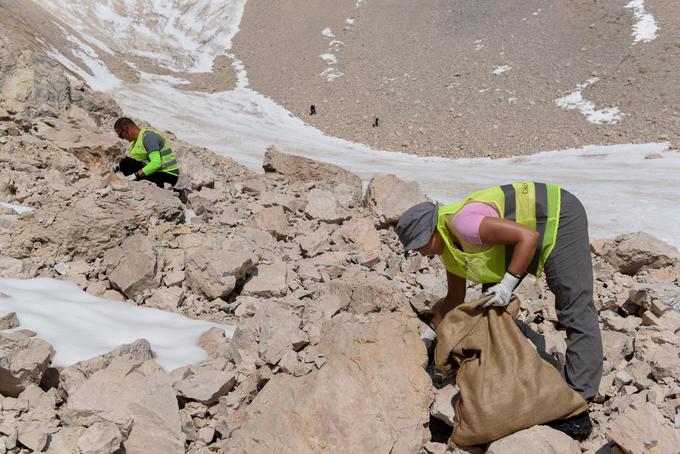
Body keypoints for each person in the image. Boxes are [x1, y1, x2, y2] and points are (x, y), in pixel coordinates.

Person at [395, 181, 602, 437]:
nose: (418, 252)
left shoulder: (464, 224)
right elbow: (454, 298)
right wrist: (430, 338)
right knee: (487, 313)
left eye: (419, 244)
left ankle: (579, 400)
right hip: (516, 240)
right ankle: (511, 388)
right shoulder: (446, 248)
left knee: (573, 306)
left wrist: (507, 285)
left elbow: (529, 236)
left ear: (432, 232)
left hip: (557, 216)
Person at [111, 117, 180, 188]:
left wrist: (136, 175)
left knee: (144, 182)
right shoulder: (137, 140)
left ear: (127, 130)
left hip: (168, 175)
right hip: (158, 171)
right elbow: (135, 160)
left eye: (120, 136)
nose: (122, 138)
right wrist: (119, 167)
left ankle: (178, 193)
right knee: (125, 163)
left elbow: (156, 163)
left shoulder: (148, 138)